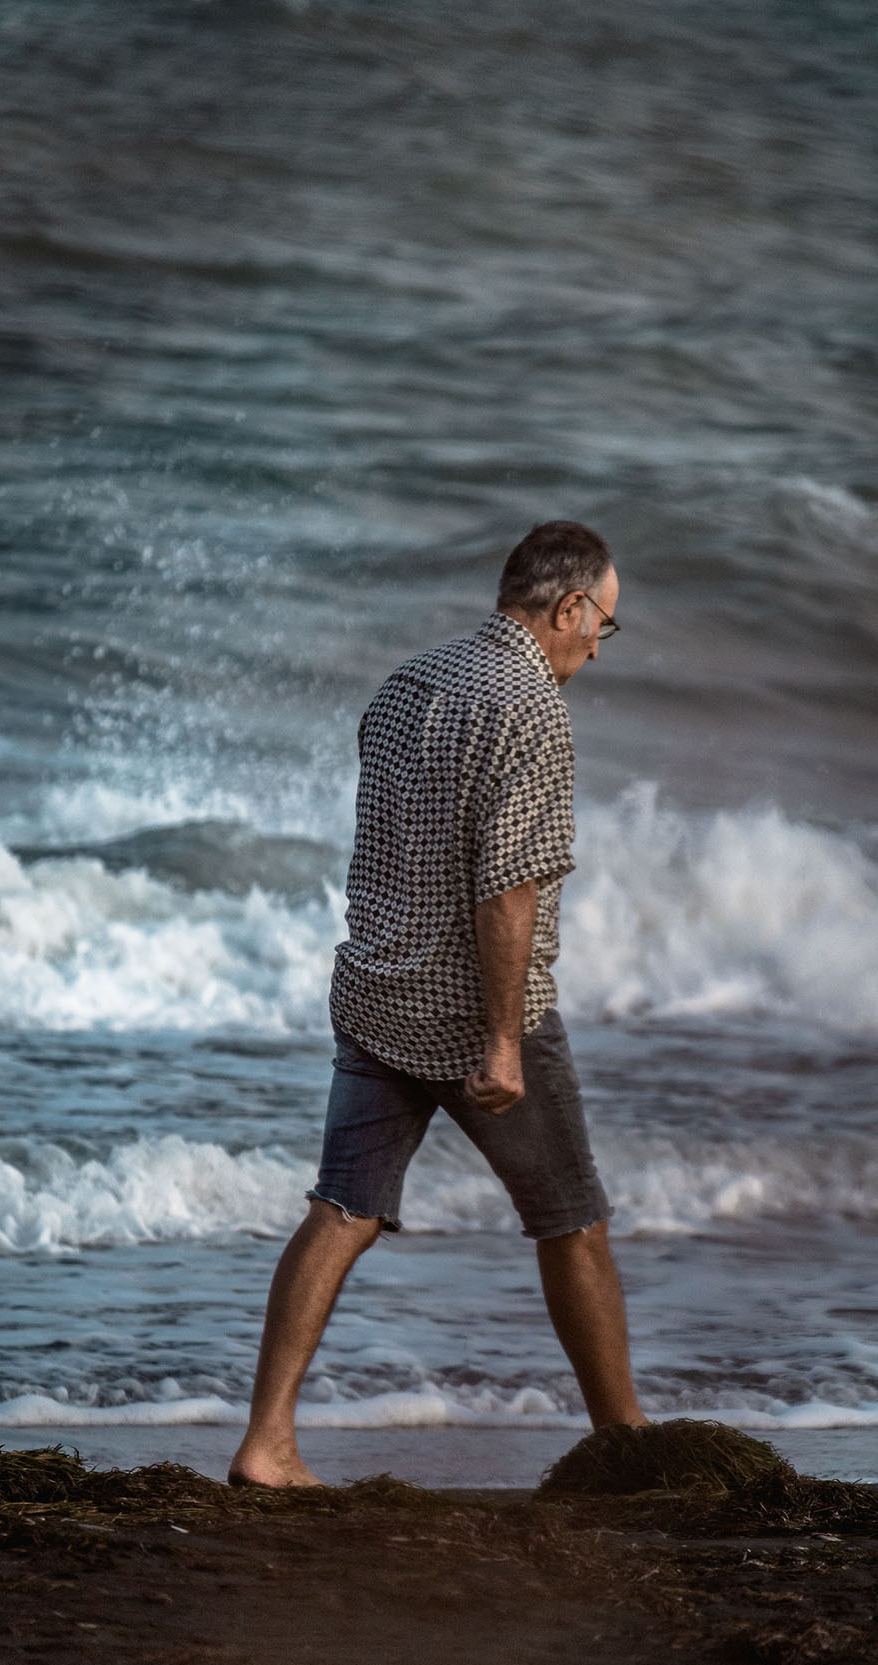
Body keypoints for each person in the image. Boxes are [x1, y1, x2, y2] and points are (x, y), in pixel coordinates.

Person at [230, 520, 647, 1488]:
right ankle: (627, 1448)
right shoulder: (532, 707)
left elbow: (390, 853)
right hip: (476, 1015)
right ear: (569, 608)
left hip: (377, 993)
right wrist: (502, 1041)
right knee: (573, 1218)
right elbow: (509, 888)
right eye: (605, 625)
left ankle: (267, 1442)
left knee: (341, 1209)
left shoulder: (406, 684)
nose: (598, 645)